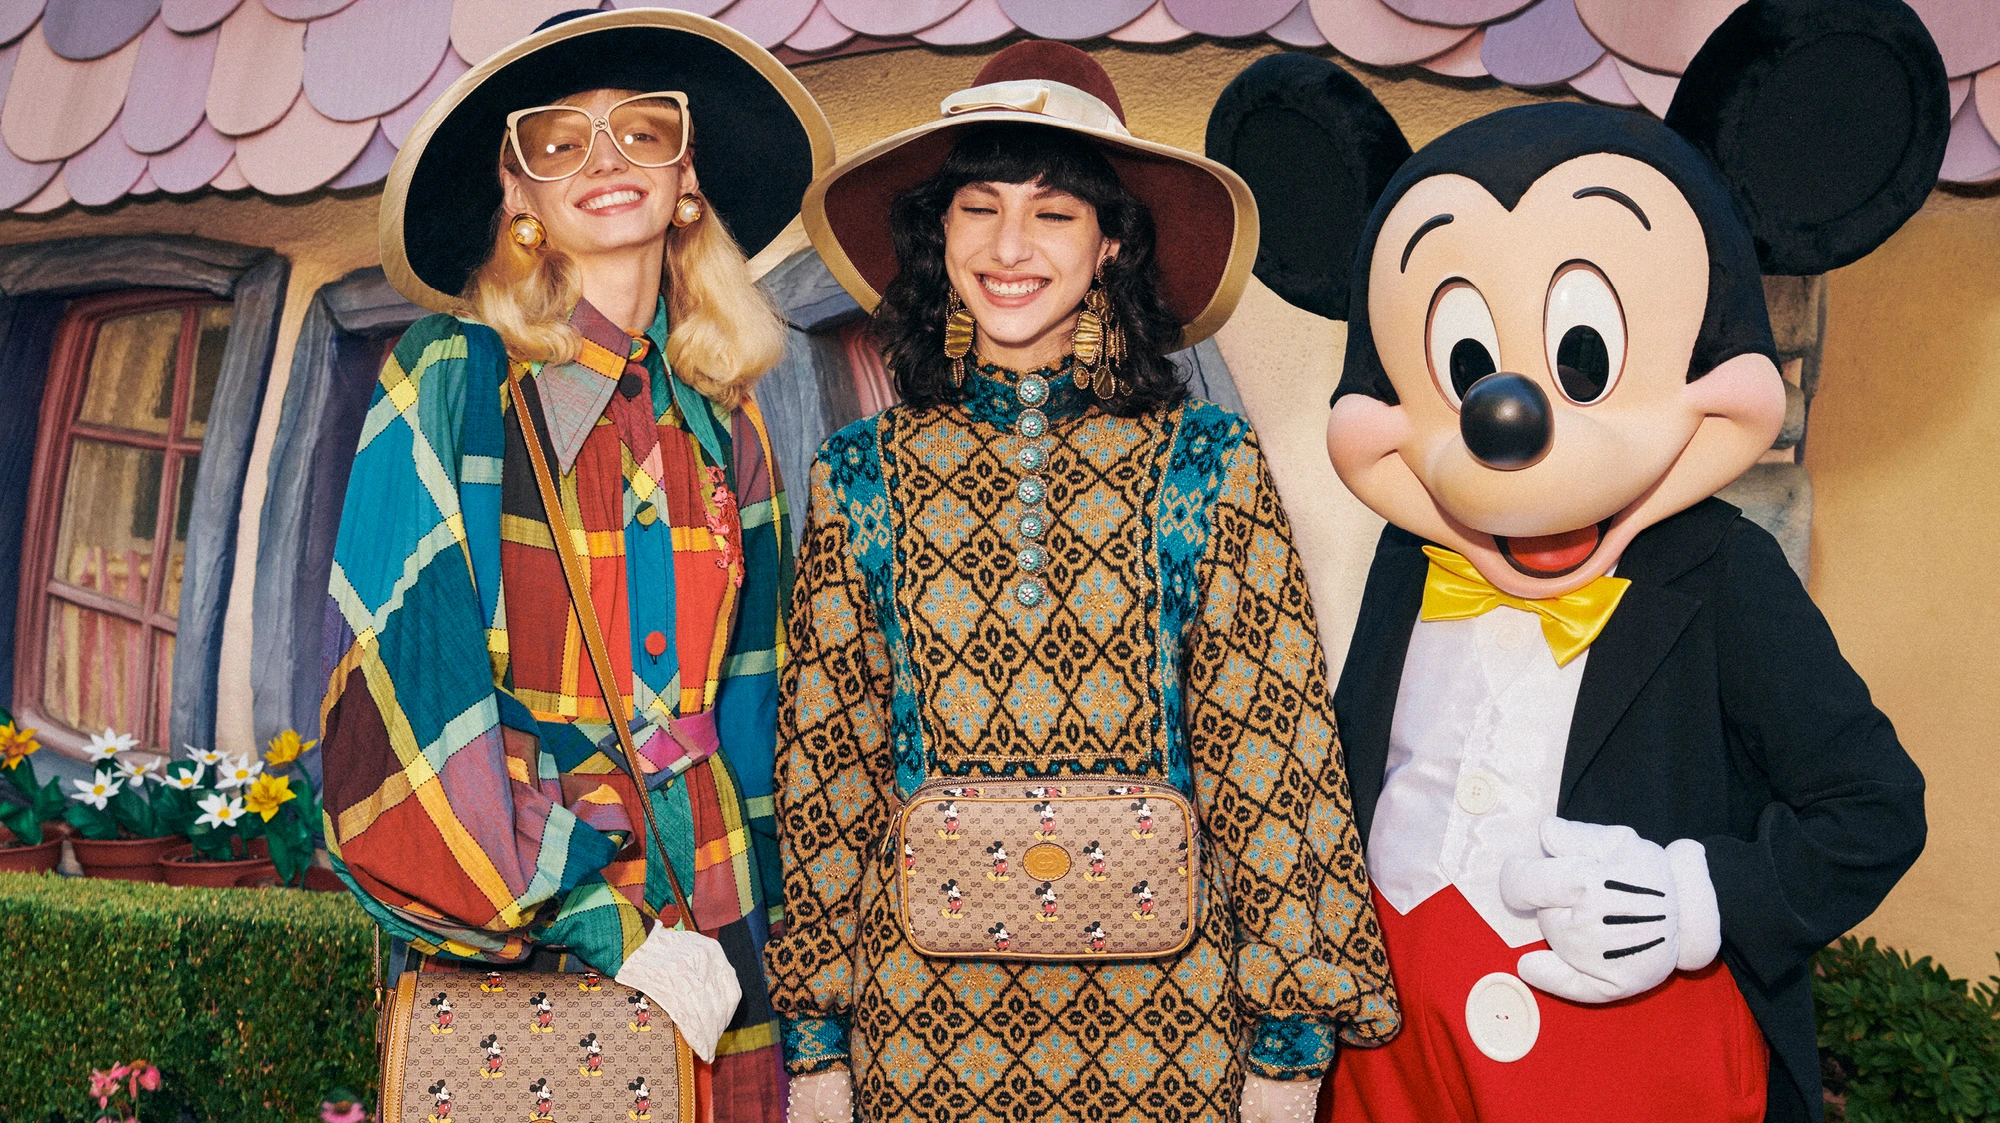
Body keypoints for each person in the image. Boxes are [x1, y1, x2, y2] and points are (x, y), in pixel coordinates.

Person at [765, 42, 1400, 1123]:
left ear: (1110, 244)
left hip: (1171, 1026)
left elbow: (1271, 753)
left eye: (1053, 213)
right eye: (978, 207)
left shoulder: (1206, 463)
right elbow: (829, 764)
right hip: (923, 1031)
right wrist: (818, 1044)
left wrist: (1289, 1049)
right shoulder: (859, 473)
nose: (1009, 245)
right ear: (938, 235)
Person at [319, 11, 832, 1123]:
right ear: (518, 194)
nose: (604, 158)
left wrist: (801, 975)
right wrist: (603, 923)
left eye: (642, 130)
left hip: (722, 912)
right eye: (558, 141)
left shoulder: (724, 418)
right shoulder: (451, 379)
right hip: (532, 924)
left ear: (686, 176)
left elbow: (763, 713)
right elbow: (405, 707)